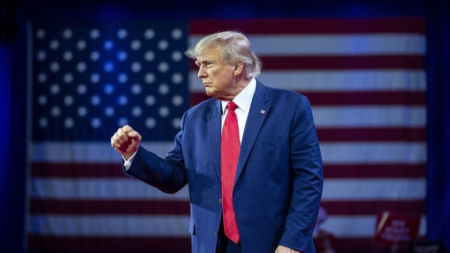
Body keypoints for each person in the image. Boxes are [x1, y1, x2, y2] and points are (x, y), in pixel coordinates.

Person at [111, 31, 323, 253]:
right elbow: (173, 177)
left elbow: (309, 179)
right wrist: (133, 154)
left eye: (207, 64)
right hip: (211, 245)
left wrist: (292, 243)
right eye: (199, 65)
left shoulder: (289, 107)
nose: (200, 73)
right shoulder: (194, 118)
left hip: (274, 244)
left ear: (237, 67)